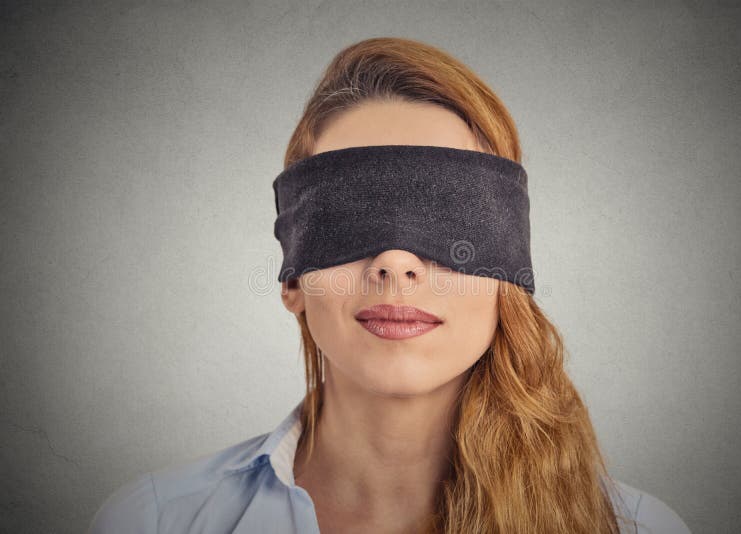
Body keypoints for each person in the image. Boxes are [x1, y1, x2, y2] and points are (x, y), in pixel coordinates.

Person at [88, 37, 692, 534]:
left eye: (451, 212)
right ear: (293, 278)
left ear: (509, 274)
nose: (397, 262)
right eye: (350, 214)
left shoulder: (634, 529)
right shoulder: (153, 522)